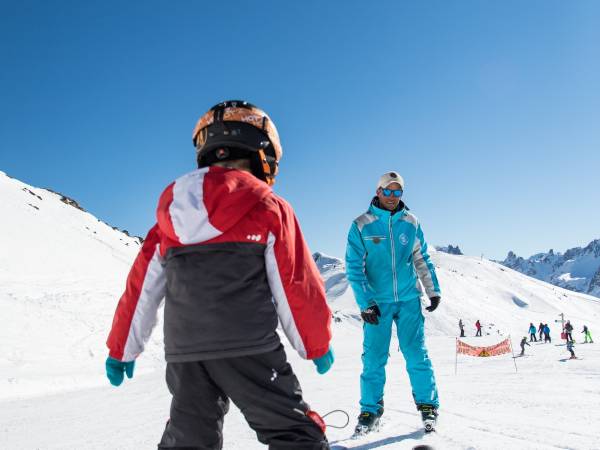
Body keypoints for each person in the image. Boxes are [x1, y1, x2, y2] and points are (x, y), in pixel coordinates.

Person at [105, 100, 334, 450]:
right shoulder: (269, 208)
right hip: (250, 347)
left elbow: (140, 291)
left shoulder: (166, 222)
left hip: (184, 355)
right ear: (263, 152)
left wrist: (122, 349)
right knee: (294, 434)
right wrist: (315, 344)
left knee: (190, 437)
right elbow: (296, 284)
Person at [345, 171, 441, 435]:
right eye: (387, 191)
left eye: (397, 192)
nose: (391, 196)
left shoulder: (411, 221)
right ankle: (370, 411)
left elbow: (422, 259)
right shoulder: (362, 225)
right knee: (373, 359)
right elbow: (354, 268)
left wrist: (433, 291)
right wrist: (366, 302)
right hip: (379, 304)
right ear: (377, 191)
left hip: (409, 300)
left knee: (416, 355)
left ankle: (428, 406)